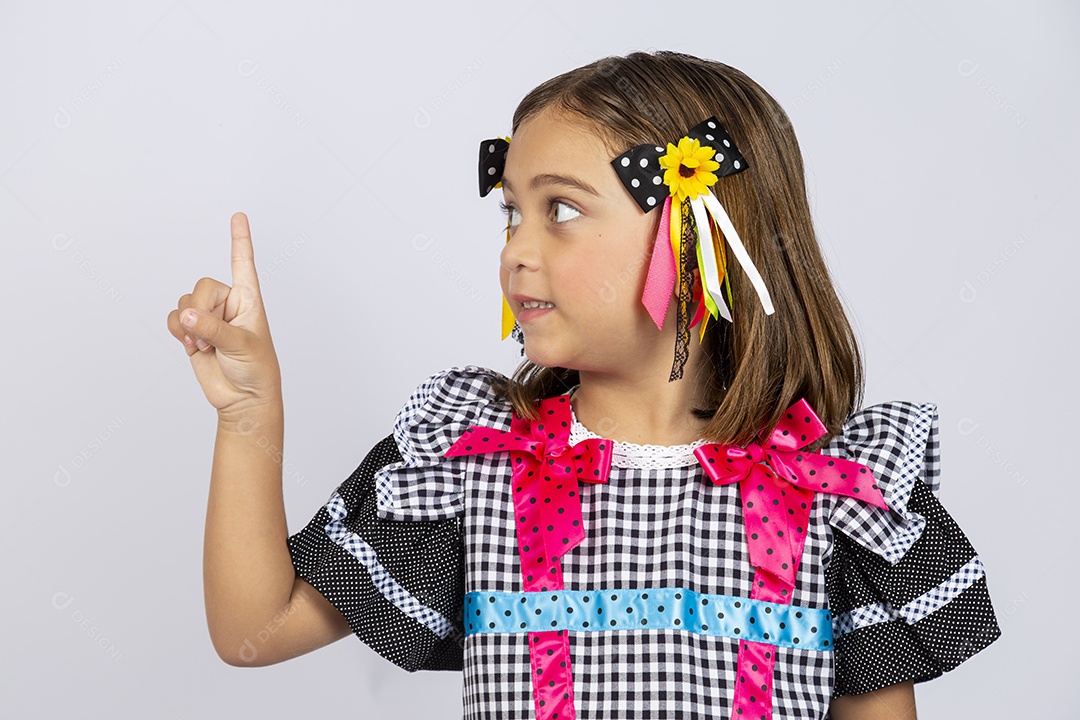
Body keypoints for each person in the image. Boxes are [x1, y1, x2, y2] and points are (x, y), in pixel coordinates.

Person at [167, 51, 1000, 720]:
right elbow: (254, 629)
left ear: (698, 232)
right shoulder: (476, 461)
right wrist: (249, 413)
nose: (517, 250)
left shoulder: (835, 495)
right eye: (511, 214)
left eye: (560, 210)